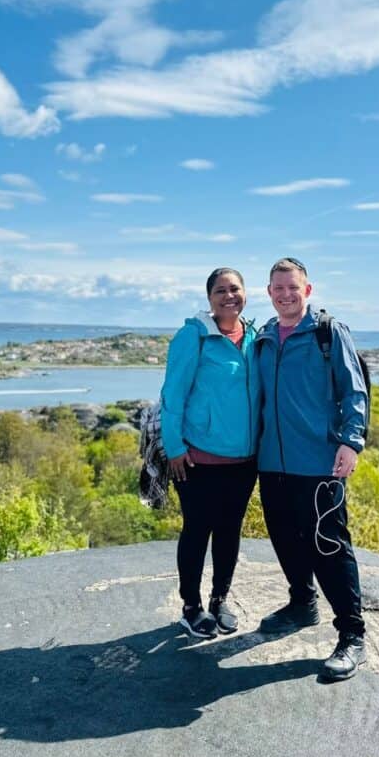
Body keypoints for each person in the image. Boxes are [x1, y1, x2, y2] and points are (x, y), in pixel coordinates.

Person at [255, 257, 368, 681]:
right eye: (278, 288)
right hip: (272, 462)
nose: (285, 294)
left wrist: (351, 442)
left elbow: (354, 390)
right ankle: (302, 603)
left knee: (329, 546)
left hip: (319, 462)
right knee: (284, 537)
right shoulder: (264, 337)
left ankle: (352, 635)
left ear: (307, 290)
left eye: (293, 288)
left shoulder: (327, 332)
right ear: (269, 293)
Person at [160, 268, 259, 639]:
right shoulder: (193, 337)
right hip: (197, 459)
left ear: (246, 293)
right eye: (220, 290)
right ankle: (191, 608)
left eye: (235, 289)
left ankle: (220, 600)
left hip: (244, 461)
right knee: (198, 531)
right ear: (209, 298)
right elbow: (172, 395)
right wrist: (174, 448)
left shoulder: (253, 337)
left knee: (230, 532)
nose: (228, 296)